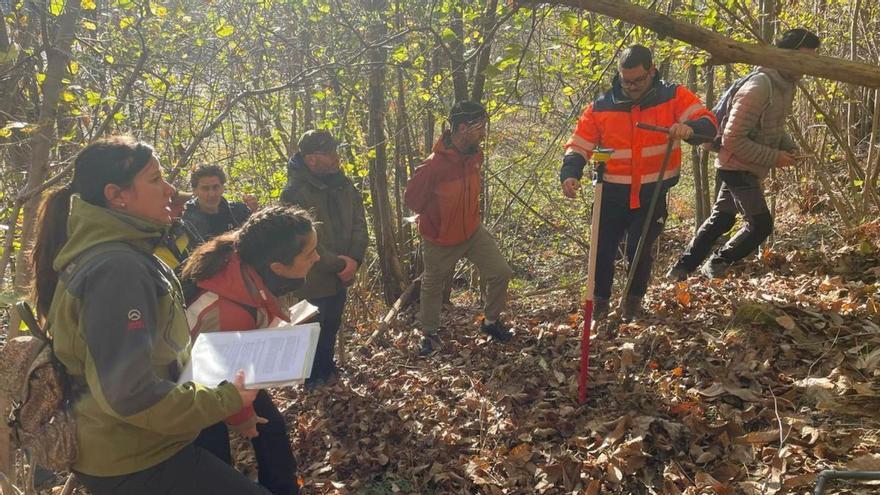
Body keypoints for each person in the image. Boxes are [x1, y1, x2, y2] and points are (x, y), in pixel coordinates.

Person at [30, 136, 269, 494]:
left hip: (142, 446)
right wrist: (226, 399)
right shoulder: (117, 268)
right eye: (155, 180)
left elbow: (151, 359)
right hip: (134, 458)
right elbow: (128, 393)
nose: (170, 190)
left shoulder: (123, 252)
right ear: (117, 195)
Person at [560, 44, 716, 324]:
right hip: (609, 193)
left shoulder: (673, 96)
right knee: (602, 251)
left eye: (638, 80)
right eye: (625, 80)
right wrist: (570, 172)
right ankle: (599, 308)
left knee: (639, 250)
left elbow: (708, 123)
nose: (631, 87)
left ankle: (632, 306)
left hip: (651, 193)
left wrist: (690, 129)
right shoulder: (601, 106)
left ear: (652, 72)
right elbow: (578, 143)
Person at [182, 206, 320, 495]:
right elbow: (215, 375)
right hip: (192, 391)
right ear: (278, 267)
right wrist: (240, 416)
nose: (317, 258)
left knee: (271, 429)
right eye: (309, 254)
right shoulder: (227, 309)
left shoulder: (247, 257)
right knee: (213, 454)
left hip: (230, 369)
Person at [668, 28, 821, 280]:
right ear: (786, 55)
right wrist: (775, 157)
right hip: (735, 166)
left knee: (722, 220)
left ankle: (680, 270)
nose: (806, 67)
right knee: (761, 225)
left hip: (747, 165)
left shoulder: (786, 85)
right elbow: (732, 139)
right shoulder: (760, 86)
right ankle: (717, 262)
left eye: (812, 60)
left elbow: (774, 126)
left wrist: (788, 147)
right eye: (803, 59)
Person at [404, 101, 515, 356]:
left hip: (472, 232)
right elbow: (412, 201)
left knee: (501, 272)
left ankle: (490, 323)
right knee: (432, 286)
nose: (484, 133)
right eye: (480, 127)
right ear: (463, 128)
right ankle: (429, 335)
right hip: (439, 238)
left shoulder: (476, 155)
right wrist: (434, 217)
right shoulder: (433, 166)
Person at [280, 130, 368, 387]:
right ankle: (312, 381)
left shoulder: (344, 184)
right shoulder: (293, 192)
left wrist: (354, 259)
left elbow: (360, 224)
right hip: (313, 277)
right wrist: (339, 264)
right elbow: (301, 239)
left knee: (332, 324)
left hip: (342, 274)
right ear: (311, 159)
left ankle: (327, 371)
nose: (335, 157)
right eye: (329, 153)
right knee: (313, 328)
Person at [182, 164, 256, 242]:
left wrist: (255, 213)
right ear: (195, 191)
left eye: (216, 187)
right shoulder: (186, 220)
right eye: (205, 188)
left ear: (222, 188)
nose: (212, 194)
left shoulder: (239, 212)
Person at [155, 190, 203, 271]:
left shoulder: (184, 227)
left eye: (183, 204)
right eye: (176, 205)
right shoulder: (150, 239)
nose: (183, 208)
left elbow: (204, 250)